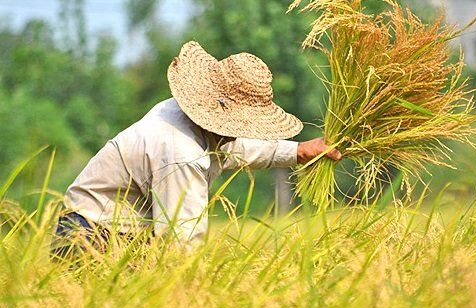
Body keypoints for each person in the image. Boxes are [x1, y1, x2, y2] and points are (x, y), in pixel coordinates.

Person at [51, 41, 341, 257]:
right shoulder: (181, 154)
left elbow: (236, 148)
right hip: (91, 239)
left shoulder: (180, 112)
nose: (240, 132)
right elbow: (182, 243)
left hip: (115, 234)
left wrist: (298, 151)